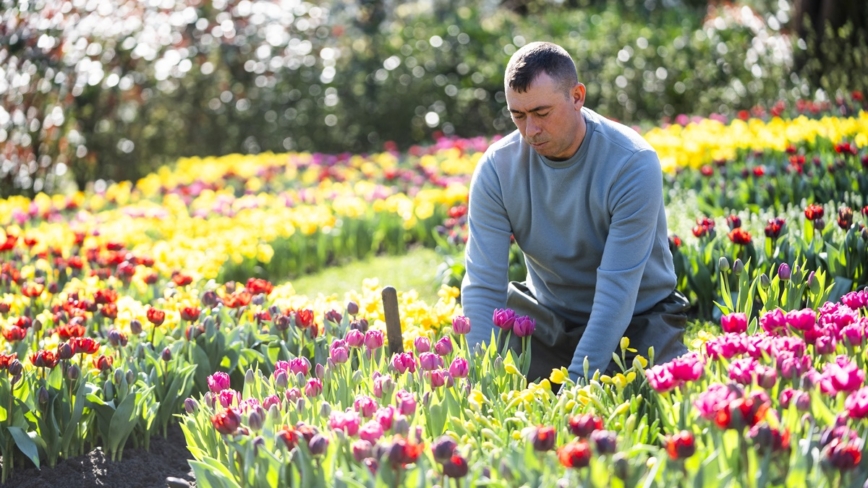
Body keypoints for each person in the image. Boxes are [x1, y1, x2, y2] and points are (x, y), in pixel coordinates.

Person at [461, 41, 689, 383]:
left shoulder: (631, 162)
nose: (530, 131)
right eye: (518, 115)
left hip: (637, 317)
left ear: (577, 97)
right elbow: (483, 285)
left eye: (541, 113)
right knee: (498, 376)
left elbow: (617, 292)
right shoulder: (497, 168)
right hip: (547, 317)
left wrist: (577, 383)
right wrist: (481, 378)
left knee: (647, 389)